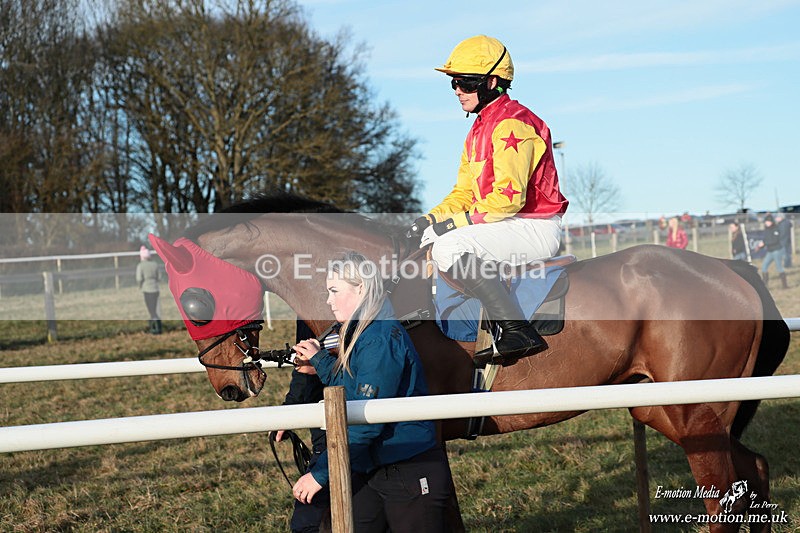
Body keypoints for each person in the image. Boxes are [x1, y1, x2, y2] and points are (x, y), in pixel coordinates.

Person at [407, 35, 568, 365]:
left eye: (466, 82)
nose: (457, 90)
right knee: (434, 239)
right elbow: (464, 193)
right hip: (504, 225)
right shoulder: (477, 130)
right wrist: (429, 220)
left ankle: (516, 330)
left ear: (493, 82)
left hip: (533, 226)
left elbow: (507, 199)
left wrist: (448, 226)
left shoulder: (513, 124)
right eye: (454, 82)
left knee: (449, 246)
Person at [292, 252, 453, 532]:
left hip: (407, 468)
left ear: (361, 289)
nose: (328, 300)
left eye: (334, 291)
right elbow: (354, 387)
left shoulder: (378, 337)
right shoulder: (364, 331)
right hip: (377, 465)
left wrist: (320, 474)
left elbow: (365, 419)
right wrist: (320, 361)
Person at [275, 320, 331, 533]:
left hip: (355, 439)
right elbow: (304, 365)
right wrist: (290, 409)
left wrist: (321, 363)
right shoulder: (309, 313)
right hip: (325, 438)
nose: (330, 303)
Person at [135, 245, 162, 334]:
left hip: (147, 290)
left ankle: (155, 328)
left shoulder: (140, 266)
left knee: (151, 310)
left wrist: (140, 286)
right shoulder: (155, 264)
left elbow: (139, 278)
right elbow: (159, 277)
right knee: (155, 309)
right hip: (156, 289)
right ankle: (157, 326)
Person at [758, 214, 788, 288]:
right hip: (770, 251)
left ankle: (785, 285)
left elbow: (775, 240)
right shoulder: (766, 230)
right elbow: (766, 239)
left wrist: (764, 243)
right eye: (766, 221)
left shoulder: (776, 229)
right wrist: (761, 245)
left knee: (779, 267)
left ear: (772, 222)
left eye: (769, 221)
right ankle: (765, 285)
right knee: (764, 266)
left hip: (777, 250)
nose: (767, 223)